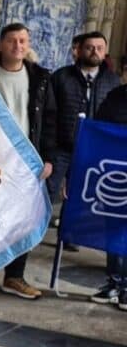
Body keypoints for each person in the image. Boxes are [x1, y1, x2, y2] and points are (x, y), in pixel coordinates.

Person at [0, 23, 56, 298]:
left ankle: (14, 276)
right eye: (12, 41)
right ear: (0, 45)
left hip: (27, 162)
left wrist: (47, 159)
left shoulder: (40, 78)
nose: (18, 46)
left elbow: (49, 120)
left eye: (23, 41)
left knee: (22, 220)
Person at [46, 31, 119, 222]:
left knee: (79, 195)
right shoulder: (61, 77)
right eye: (89, 47)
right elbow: (50, 114)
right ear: (79, 50)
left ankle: (69, 234)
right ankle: (30, 232)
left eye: (99, 48)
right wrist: (49, 146)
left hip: (92, 149)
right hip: (62, 147)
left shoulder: (113, 81)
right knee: (47, 191)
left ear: (105, 52)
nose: (94, 51)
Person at [89, 82, 127, 308]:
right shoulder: (116, 96)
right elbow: (98, 128)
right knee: (113, 229)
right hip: (115, 172)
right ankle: (114, 282)